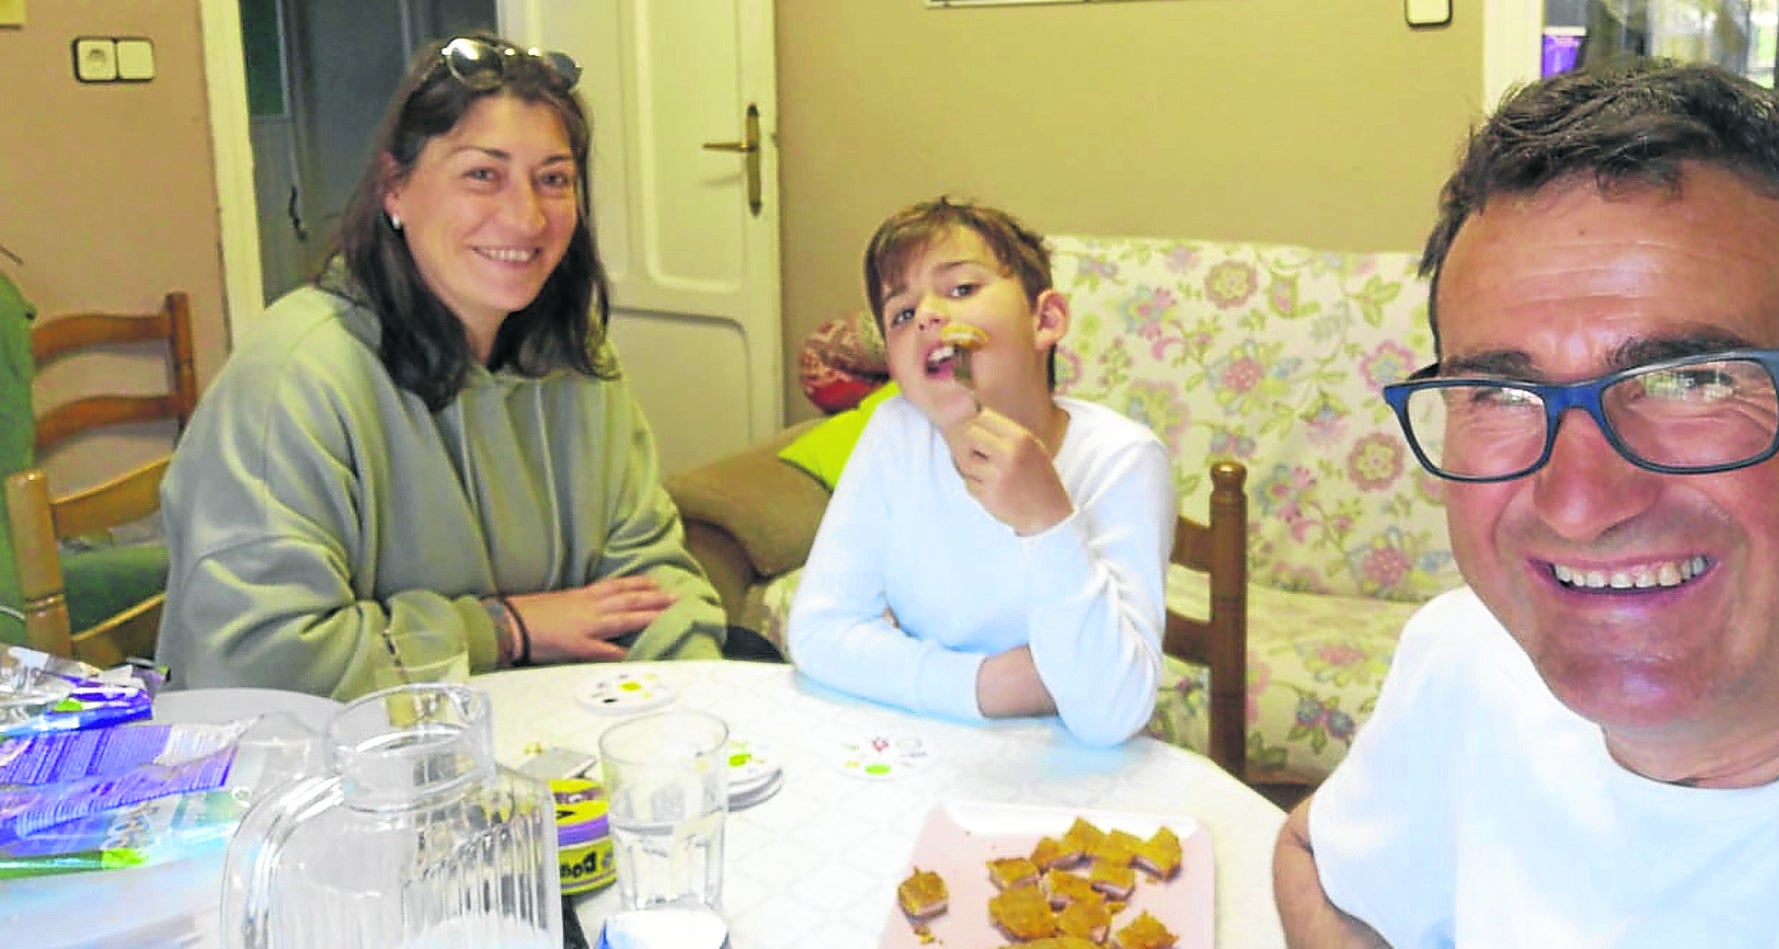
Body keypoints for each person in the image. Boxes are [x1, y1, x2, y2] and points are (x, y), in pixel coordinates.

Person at [1274, 59, 1779, 949]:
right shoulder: (1469, 658)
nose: (1579, 503)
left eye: (1692, 377)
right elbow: (1326, 867)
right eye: (1499, 392)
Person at [157, 33, 724, 699]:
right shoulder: (295, 377)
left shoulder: (576, 360)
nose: (526, 216)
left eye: (554, 179)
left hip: (532, 745)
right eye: (483, 174)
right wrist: (502, 627)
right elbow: (255, 665)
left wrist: (700, 696)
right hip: (310, 773)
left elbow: (648, 577)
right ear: (395, 188)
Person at [786, 198, 1173, 746]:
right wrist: (985, 685)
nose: (926, 315)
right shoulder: (897, 432)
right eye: (901, 313)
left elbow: (1109, 714)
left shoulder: (1122, 460)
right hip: (932, 744)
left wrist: (1047, 521)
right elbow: (819, 633)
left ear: (1045, 320)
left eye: (962, 289)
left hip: (1069, 764)